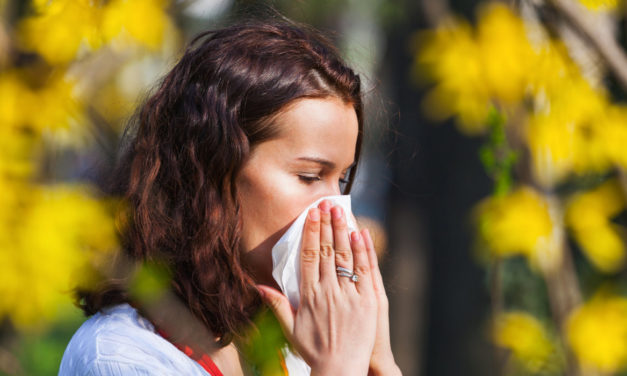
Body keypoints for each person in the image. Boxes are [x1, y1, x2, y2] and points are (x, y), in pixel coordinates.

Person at [59, 18, 401, 376]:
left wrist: (380, 364)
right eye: (310, 176)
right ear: (212, 168)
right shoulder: (120, 356)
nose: (336, 211)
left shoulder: (291, 341)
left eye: (342, 179)